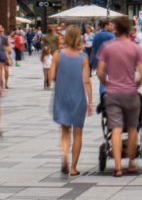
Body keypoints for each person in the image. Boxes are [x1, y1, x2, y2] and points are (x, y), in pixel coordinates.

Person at [96, 15, 142, 177]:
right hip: (131, 93)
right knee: (133, 128)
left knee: (116, 128)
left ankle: (118, 167)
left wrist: (107, 82)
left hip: (112, 93)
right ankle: (131, 163)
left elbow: (99, 72)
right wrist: (135, 85)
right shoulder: (135, 48)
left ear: (116, 29)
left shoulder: (107, 47)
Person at [50, 26, 94, 176]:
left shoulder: (57, 54)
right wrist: (90, 101)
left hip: (61, 97)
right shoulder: (83, 57)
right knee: (78, 133)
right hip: (78, 99)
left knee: (64, 131)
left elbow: (51, 77)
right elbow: (86, 81)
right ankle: (73, 167)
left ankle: (64, 157)